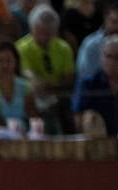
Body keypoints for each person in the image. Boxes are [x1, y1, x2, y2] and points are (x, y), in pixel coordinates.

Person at [17, 5, 76, 133]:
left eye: (48, 33)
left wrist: (49, 87)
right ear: (32, 29)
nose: (44, 38)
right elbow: (31, 78)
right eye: (40, 33)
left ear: (56, 31)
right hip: (35, 97)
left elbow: (68, 79)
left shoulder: (64, 48)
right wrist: (50, 85)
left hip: (59, 97)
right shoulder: (21, 48)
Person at [0, 39, 30, 128]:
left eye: (9, 60)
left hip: (21, 134)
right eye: (0, 61)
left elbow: (32, 116)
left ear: (16, 62)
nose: (5, 65)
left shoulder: (24, 86)